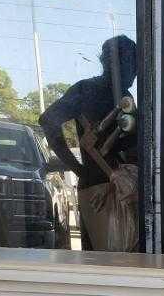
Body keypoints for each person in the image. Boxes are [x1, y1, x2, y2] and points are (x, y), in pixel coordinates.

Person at [39, 35, 139, 251]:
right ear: (116, 63)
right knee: (111, 263)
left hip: (119, 190)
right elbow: (48, 120)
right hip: (99, 192)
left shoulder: (124, 97)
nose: (136, 72)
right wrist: (79, 169)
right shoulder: (88, 91)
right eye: (134, 64)